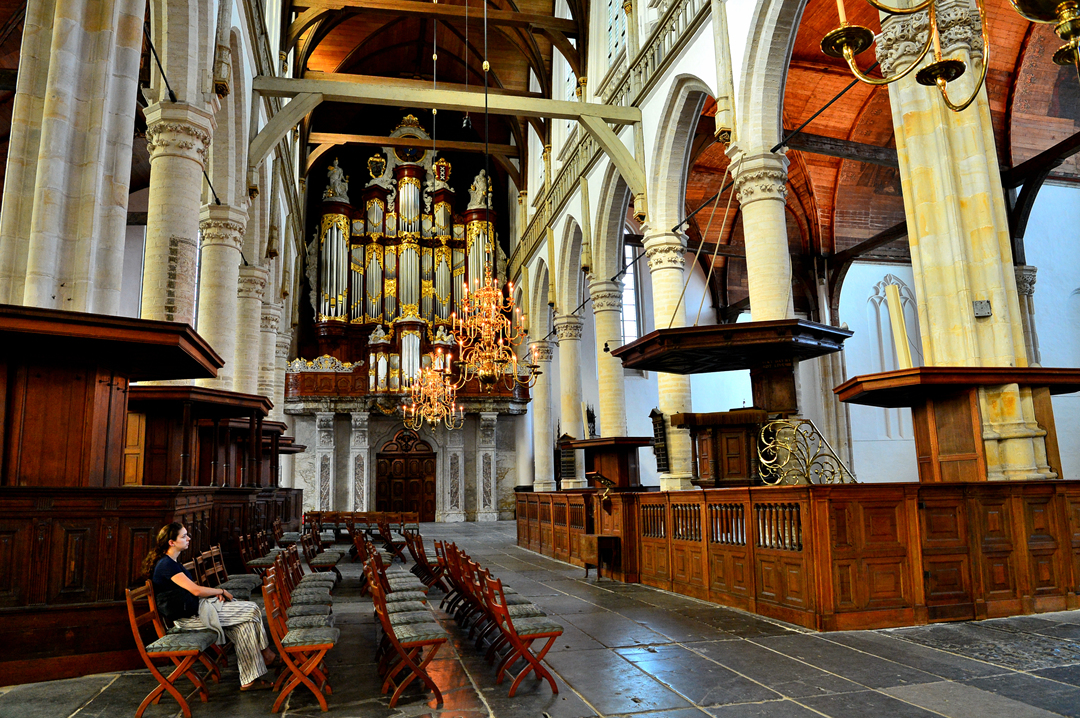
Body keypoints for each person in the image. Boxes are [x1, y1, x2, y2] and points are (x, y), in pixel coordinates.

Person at [142, 523, 277, 690]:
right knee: (253, 609)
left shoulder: (172, 562)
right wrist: (220, 591)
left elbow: (191, 591)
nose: (188, 538)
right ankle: (266, 653)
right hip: (189, 618)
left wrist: (212, 594)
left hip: (197, 609)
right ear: (171, 542)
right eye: (184, 536)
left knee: (244, 625)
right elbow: (196, 590)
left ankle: (249, 680)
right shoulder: (166, 565)